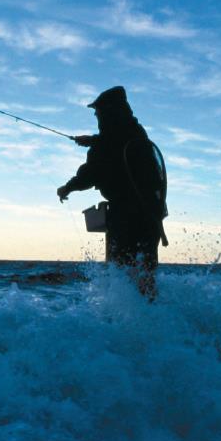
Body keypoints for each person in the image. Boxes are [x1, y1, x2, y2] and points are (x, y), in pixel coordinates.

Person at [57, 86, 166, 299]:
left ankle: (123, 326)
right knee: (145, 273)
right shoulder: (137, 132)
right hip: (152, 214)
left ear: (109, 111)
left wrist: (66, 188)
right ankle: (153, 319)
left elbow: (90, 174)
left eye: (98, 112)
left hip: (125, 216)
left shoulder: (107, 145)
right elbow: (120, 141)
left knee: (121, 272)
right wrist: (95, 140)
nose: (96, 116)